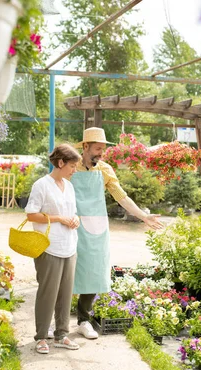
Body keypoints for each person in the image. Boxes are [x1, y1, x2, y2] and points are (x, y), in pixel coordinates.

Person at [71, 127, 164, 339]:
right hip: (71, 224)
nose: (100, 153)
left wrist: (143, 216)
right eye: (96, 149)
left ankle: (84, 320)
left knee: (93, 271)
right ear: (85, 147)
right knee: (66, 271)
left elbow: (121, 197)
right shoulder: (71, 166)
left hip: (96, 227)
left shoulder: (104, 170)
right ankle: (57, 322)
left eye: (102, 149)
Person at [25, 144, 82, 354]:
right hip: (48, 247)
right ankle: (41, 337)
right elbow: (31, 214)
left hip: (69, 246)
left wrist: (75, 219)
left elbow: (73, 212)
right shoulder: (41, 185)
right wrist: (59, 218)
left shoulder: (69, 186)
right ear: (60, 163)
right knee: (47, 294)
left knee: (66, 294)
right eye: (72, 166)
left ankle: (62, 335)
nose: (74, 170)